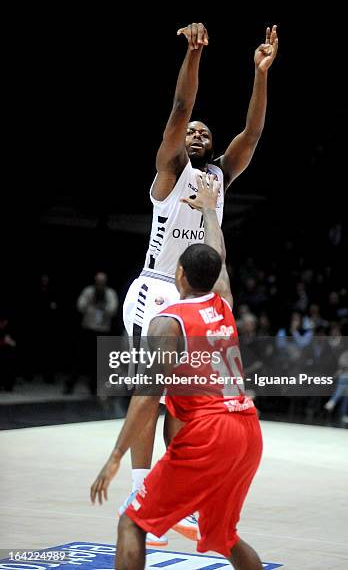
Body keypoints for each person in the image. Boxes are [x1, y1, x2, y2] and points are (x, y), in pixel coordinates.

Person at [121, 21, 278, 544]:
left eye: (205, 134)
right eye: (193, 133)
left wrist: (260, 74)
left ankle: (174, 490)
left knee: (187, 399)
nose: (197, 135)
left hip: (196, 295)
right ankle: (139, 489)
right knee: (154, 391)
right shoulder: (169, 170)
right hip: (156, 289)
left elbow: (252, 135)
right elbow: (179, 110)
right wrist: (193, 54)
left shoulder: (217, 179)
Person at [91, 174, 263, 569]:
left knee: (132, 524)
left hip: (210, 433)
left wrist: (116, 455)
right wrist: (207, 209)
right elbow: (217, 254)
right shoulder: (224, 303)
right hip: (248, 431)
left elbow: (148, 397)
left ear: (179, 276)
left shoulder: (167, 321)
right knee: (226, 537)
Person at [65, 272, 118, 394]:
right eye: (98, 282)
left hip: (102, 331)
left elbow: (113, 309)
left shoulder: (109, 294)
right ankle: (70, 385)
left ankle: (94, 387)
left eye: (102, 282)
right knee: (79, 358)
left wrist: (103, 307)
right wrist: (91, 302)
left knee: (98, 362)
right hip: (88, 330)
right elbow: (80, 306)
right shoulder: (89, 292)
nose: (100, 285)